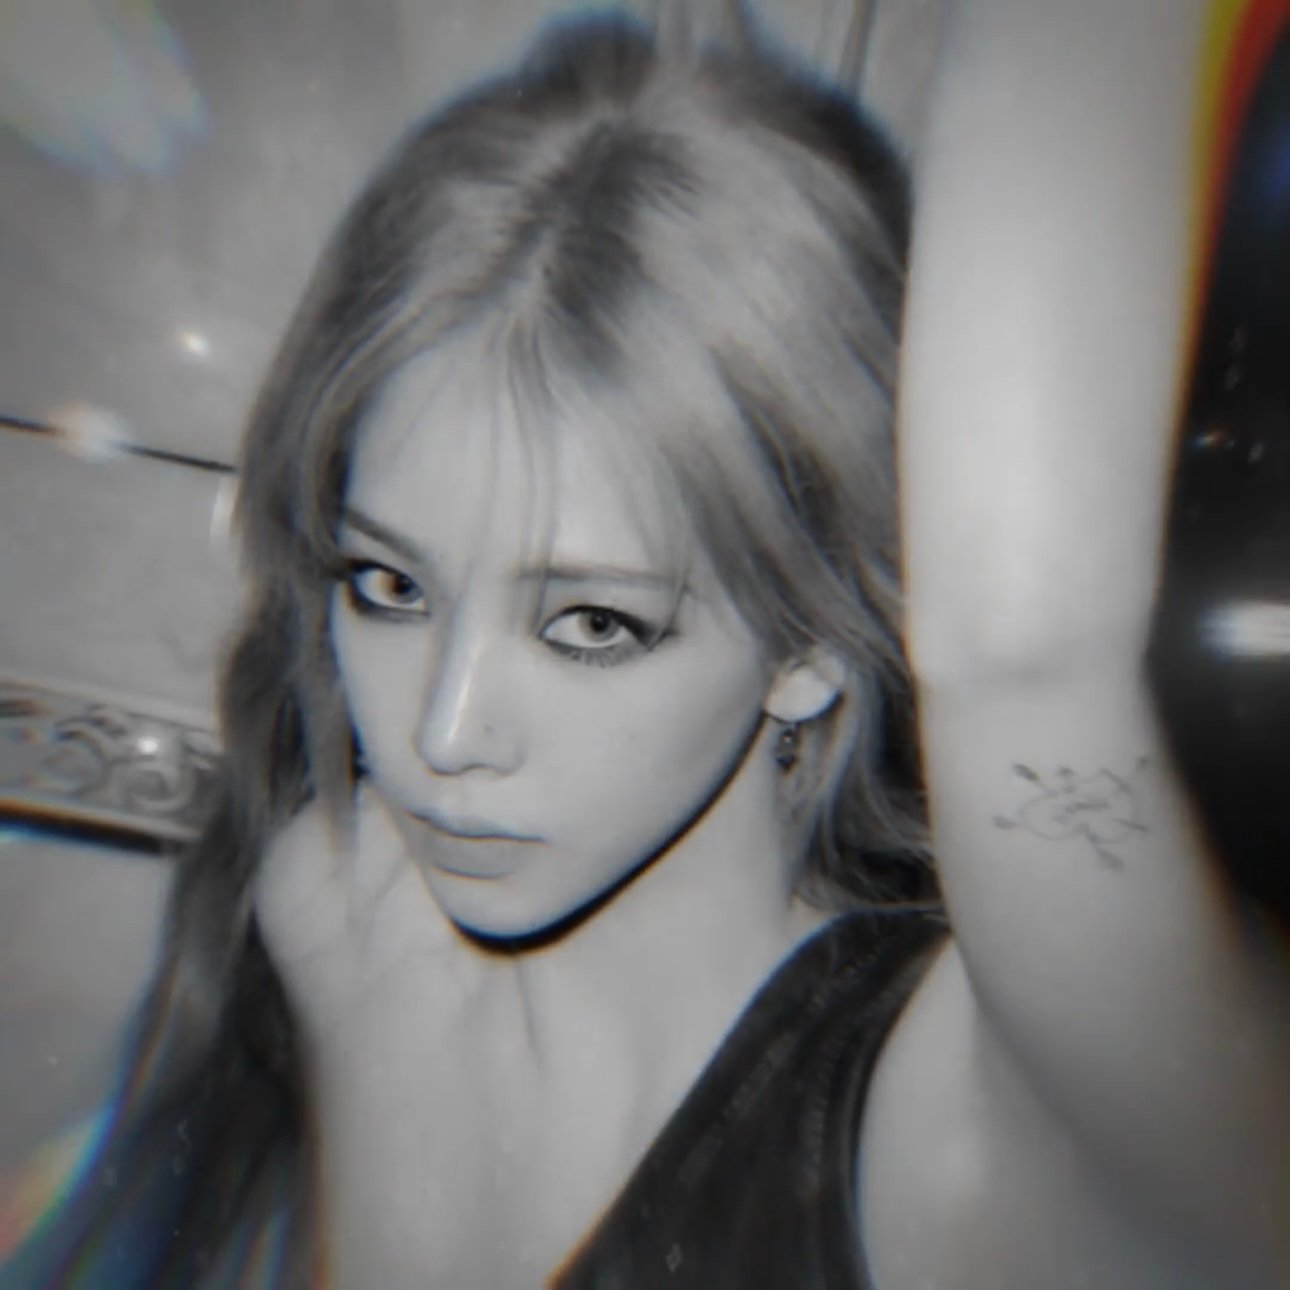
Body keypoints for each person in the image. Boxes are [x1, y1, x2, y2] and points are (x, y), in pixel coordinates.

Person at [3, 2, 1287, 1287]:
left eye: (590, 625)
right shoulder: (345, 913)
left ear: (809, 646)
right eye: (389, 586)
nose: (441, 735)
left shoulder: (953, 1126)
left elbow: (1024, 654)